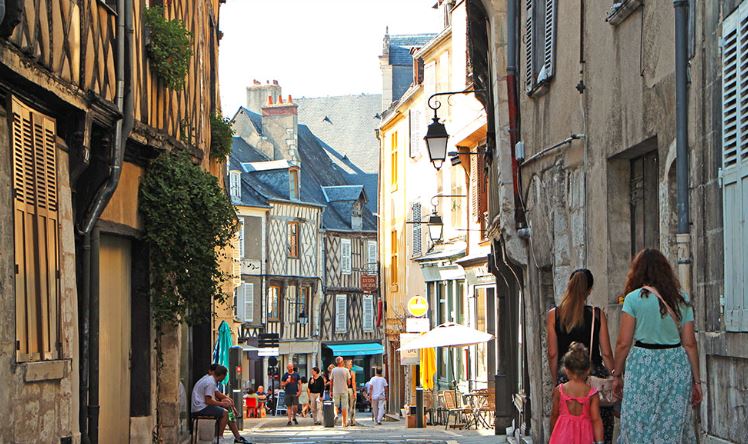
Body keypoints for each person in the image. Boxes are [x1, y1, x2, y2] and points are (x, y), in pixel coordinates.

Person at [612, 249, 702, 443]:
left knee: (637, 423)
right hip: (675, 366)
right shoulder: (681, 299)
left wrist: (616, 375)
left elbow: (623, 343)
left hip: (642, 366)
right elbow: (690, 343)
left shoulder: (633, 299)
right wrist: (697, 381)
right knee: (671, 425)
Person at [546, 269, 615, 443]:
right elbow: (606, 353)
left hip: (566, 377)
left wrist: (557, 380)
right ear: (589, 290)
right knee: (599, 422)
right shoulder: (597, 315)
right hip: (594, 379)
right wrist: (614, 376)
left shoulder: (554, 315)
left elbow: (552, 353)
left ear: (569, 286)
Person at [549, 343, 604, 444]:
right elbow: (596, 420)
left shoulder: (559, 390)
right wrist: (600, 442)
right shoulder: (592, 394)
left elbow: (554, 415)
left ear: (566, 370)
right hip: (585, 438)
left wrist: (553, 434)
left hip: (562, 437)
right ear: (588, 370)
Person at [191, 365, 250, 444]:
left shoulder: (211, 379)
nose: (224, 379)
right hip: (200, 408)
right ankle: (219, 437)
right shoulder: (210, 382)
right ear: (222, 375)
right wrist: (222, 403)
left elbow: (218, 394)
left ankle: (237, 437)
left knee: (228, 410)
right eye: (225, 377)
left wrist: (229, 403)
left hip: (202, 406)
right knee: (225, 413)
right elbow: (208, 401)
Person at [330, 356, 351, 427]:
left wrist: (331, 391)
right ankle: (344, 423)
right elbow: (349, 382)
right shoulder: (346, 370)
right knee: (344, 407)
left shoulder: (333, 370)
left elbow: (331, 381)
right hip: (344, 390)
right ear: (341, 362)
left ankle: (336, 415)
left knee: (335, 405)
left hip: (336, 390)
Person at [345, 360, 357, 426]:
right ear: (348, 365)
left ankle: (345, 421)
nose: (351, 365)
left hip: (344, 390)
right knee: (352, 406)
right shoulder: (352, 372)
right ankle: (352, 421)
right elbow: (353, 383)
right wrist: (355, 392)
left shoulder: (343, 372)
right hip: (350, 390)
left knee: (345, 406)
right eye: (351, 364)